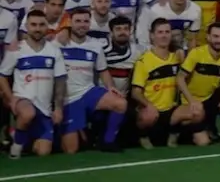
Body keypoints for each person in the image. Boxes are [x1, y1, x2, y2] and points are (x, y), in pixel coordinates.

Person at [60, 8, 128, 154]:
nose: (82, 24)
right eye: (78, 21)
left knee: (120, 103)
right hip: (68, 99)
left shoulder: (96, 45)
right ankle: (81, 132)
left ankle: (108, 141)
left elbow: (102, 70)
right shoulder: (59, 43)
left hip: (88, 92)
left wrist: (110, 86)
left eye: (86, 21)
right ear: (70, 23)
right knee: (71, 150)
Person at [0, 10, 67, 159]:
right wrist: (11, 99)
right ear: (27, 27)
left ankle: (19, 136)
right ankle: (15, 150)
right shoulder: (17, 50)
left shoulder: (54, 51)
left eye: (41, 25)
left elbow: (60, 81)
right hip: (23, 101)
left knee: (43, 152)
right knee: (28, 113)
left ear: (47, 27)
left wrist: (58, 108)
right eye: (34, 25)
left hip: (44, 109)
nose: (37, 28)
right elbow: (2, 76)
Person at [131, 18, 204, 149]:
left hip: (171, 111)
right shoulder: (144, 61)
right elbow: (135, 92)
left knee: (198, 111)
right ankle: (143, 136)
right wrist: (148, 105)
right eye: (160, 32)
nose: (164, 36)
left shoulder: (176, 57)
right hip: (153, 110)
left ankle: (173, 134)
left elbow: (186, 79)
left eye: (167, 32)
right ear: (152, 35)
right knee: (148, 115)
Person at [179, 23, 220, 145]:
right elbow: (180, 78)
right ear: (208, 37)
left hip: (210, 99)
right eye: (216, 36)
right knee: (203, 142)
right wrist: (191, 100)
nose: (219, 40)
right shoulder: (196, 53)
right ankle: (186, 131)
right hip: (192, 102)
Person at [104, 16, 149, 148]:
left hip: (126, 97)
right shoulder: (101, 49)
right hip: (104, 97)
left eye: (125, 29)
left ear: (131, 31)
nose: (122, 32)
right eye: (118, 29)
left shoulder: (139, 50)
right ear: (111, 32)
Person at [135, 0, 202, 50]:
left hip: (182, 48)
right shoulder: (156, 10)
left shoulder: (195, 10)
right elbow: (150, 36)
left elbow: (192, 39)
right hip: (159, 49)